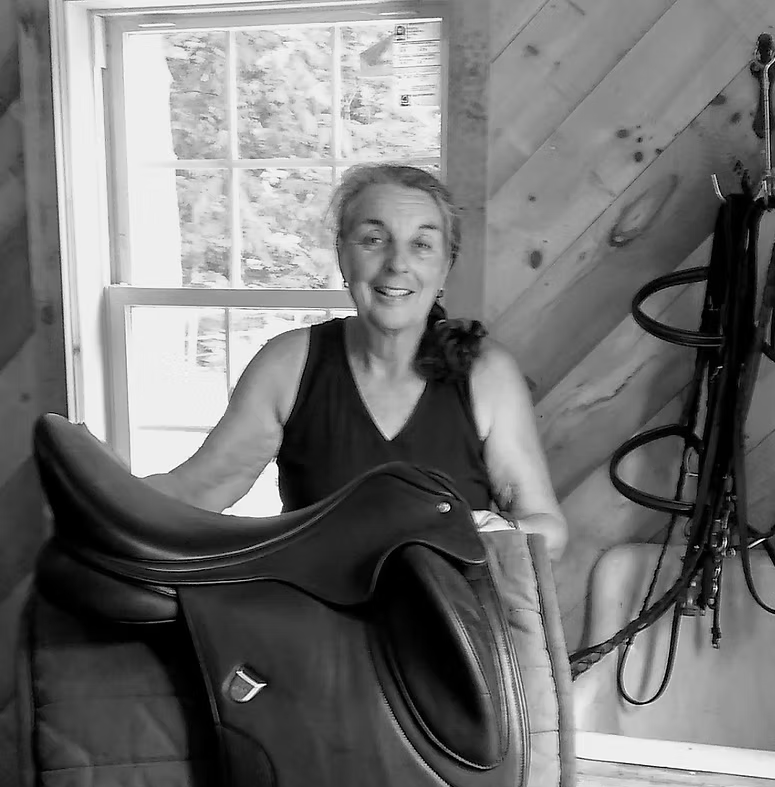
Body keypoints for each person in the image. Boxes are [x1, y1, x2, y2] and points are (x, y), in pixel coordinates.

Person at [145, 164, 568, 560]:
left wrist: (480, 533)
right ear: (343, 257)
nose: (397, 263)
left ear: (445, 267)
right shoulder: (288, 364)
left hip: (448, 625)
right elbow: (198, 488)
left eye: (421, 245)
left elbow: (548, 533)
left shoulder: (486, 373)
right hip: (313, 622)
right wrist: (92, 491)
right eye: (373, 240)